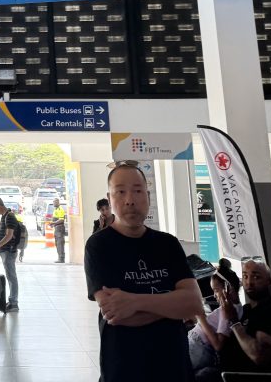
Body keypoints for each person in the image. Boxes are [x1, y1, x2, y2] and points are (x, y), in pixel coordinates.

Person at [84, 162, 202, 381]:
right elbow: (115, 313)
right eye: (120, 191)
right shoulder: (99, 245)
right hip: (124, 369)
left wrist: (134, 302)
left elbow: (194, 303)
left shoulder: (168, 244)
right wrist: (171, 305)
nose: (130, 200)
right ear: (109, 199)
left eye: (138, 191)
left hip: (174, 367)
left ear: (147, 196)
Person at [201, 259, 271, 381]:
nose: (249, 282)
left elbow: (259, 356)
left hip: (241, 377)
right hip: (223, 370)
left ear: (269, 281)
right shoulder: (247, 309)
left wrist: (234, 322)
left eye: (256, 277)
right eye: (245, 276)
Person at [189, 259, 240, 375]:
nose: (214, 295)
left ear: (228, 288)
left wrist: (200, 317)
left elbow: (218, 344)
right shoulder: (229, 308)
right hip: (195, 345)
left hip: (197, 348)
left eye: (216, 290)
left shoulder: (228, 310)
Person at [0, 196, 21, 312]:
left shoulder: (9, 217)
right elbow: (6, 234)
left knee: (11, 277)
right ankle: (12, 301)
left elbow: (9, 235)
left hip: (8, 251)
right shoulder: (5, 216)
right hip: (5, 251)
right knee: (10, 276)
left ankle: (14, 304)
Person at [52, 197, 67, 263]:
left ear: (58, 202)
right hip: (56, 228)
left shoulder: (60, 209)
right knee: (57, 243)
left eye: (55, 202)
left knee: (60, 243)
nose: (54, 203)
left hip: (60, 228)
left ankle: (61, 258)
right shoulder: (55, 209)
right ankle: (59, 258)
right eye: (53, 202)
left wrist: (54, 223)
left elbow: (61, 220)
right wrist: (53, 223)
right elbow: (55, 218)